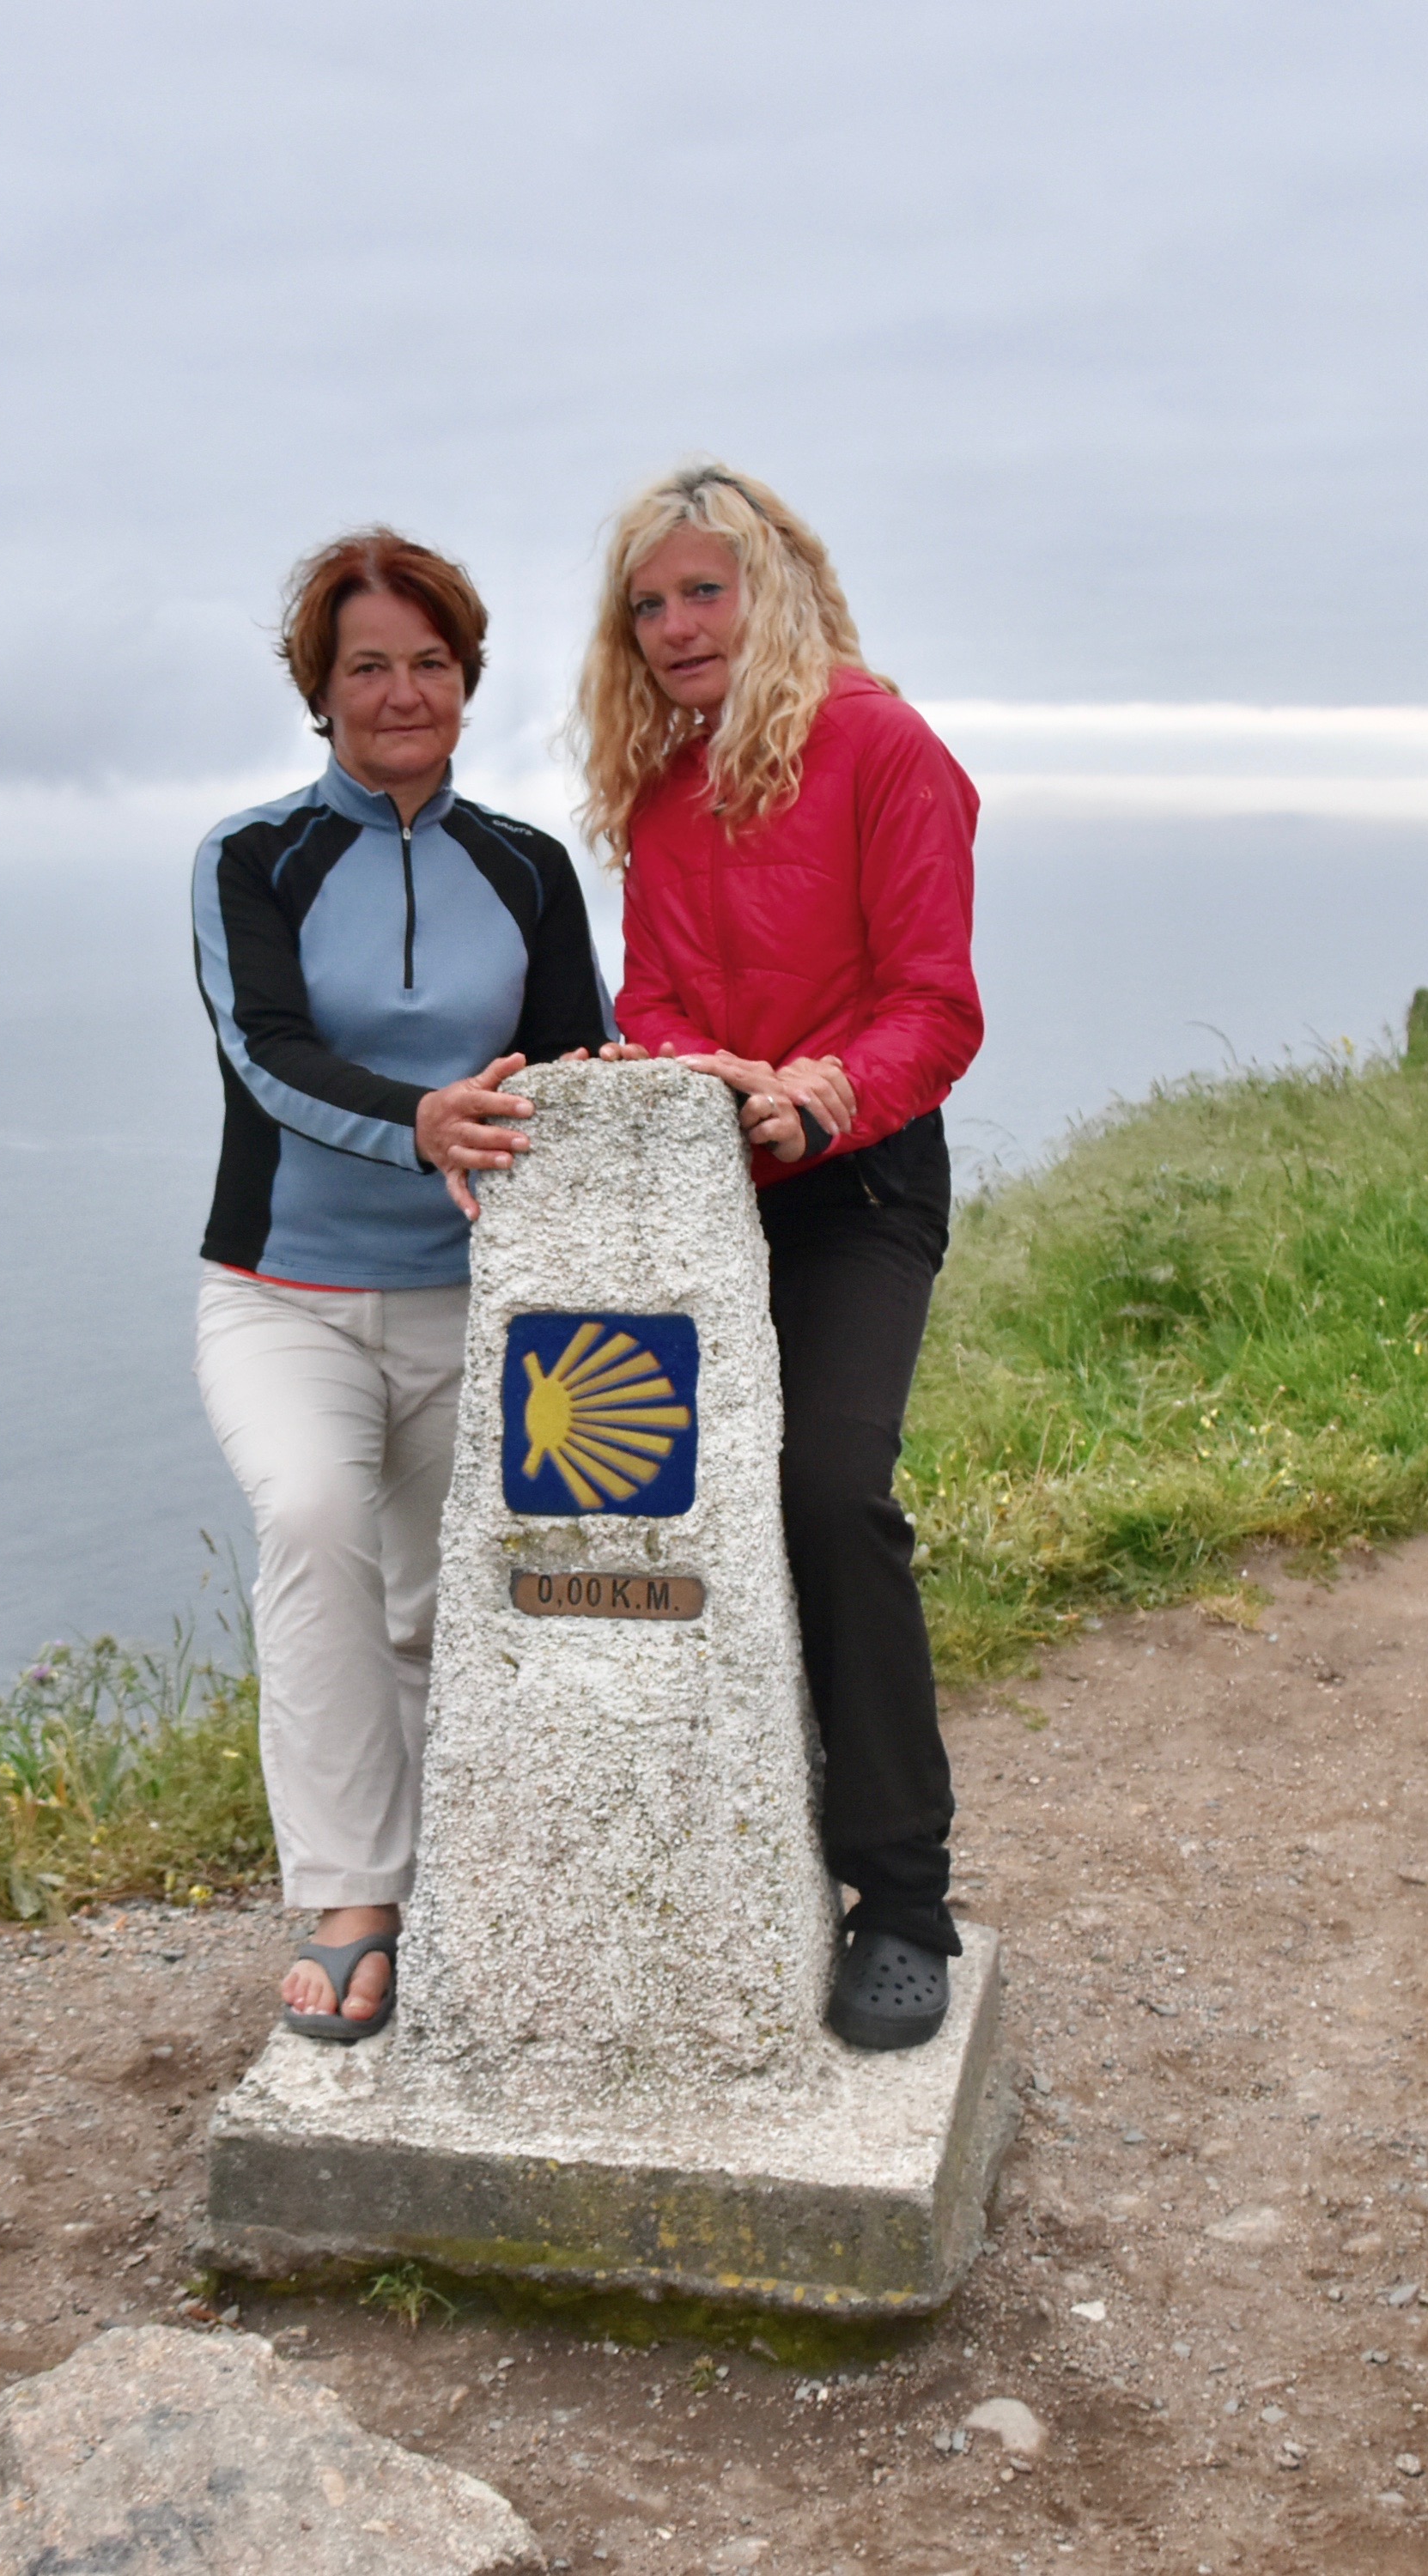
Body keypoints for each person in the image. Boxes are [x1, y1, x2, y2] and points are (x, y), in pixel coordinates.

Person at [574, 461, 986, 2052]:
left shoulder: (888, 748)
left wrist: (821, 1091)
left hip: (860, 1180)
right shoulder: (663, 790)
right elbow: (655, 998)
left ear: (779, 589)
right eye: (649, 604)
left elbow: (934, 1003)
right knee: (657, 1507)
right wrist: (707, 1073)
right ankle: (700, 1855)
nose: (677, 626)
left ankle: (903, 1902)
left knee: (828, 1490)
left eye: (706, 590)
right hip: (710, 1177)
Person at [191, 529, 614, 2041]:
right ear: (319, 688)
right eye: (367, 666)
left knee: (443, 1609)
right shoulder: (253, 859)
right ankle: (353, 1895)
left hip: (477, 1298)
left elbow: (578, 1062)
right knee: (314, 1526)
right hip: (282, 1292)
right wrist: (419, 1120)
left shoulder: (527, 866)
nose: (402, 692)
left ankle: (442, 1892)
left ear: (467, 679)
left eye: (431, 663)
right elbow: (267, 1054)